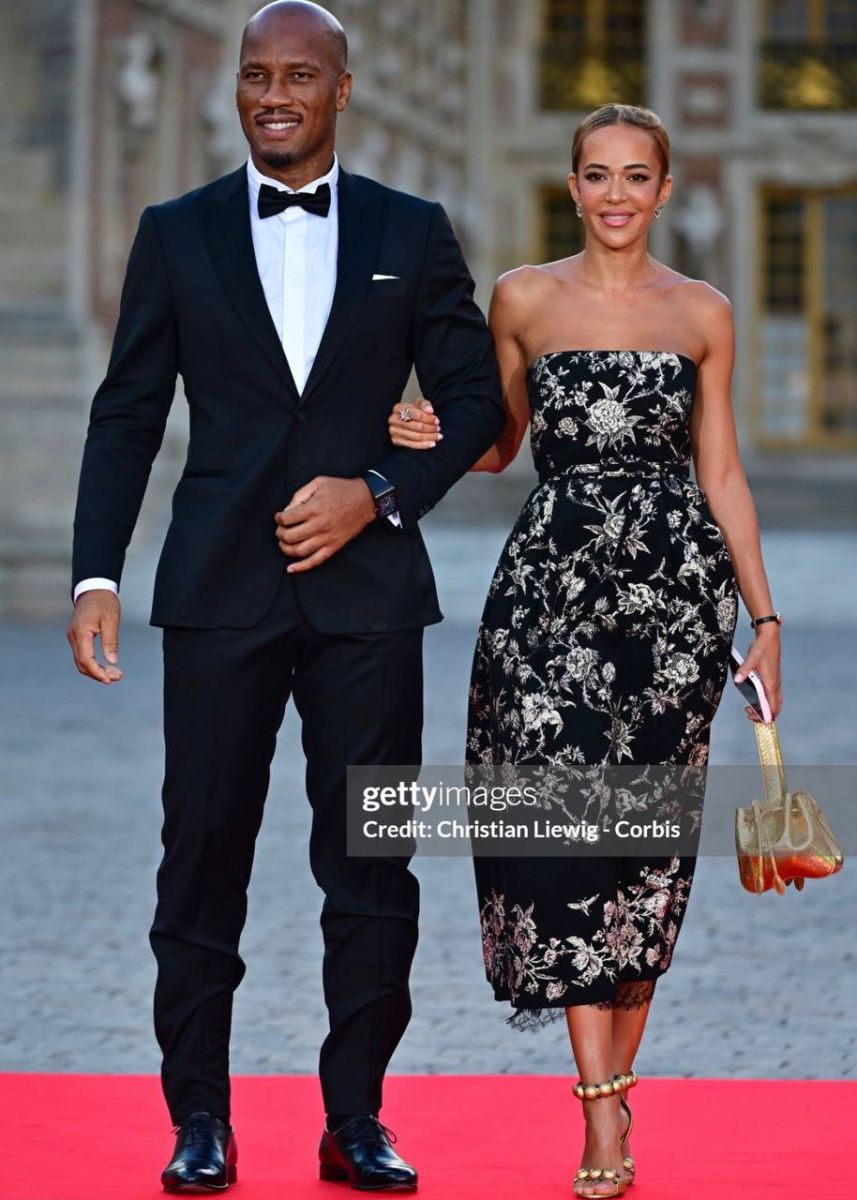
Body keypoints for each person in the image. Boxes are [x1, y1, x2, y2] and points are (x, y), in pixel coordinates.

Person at [66, 1, 503, 1191]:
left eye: (299, 76)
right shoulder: (176, 231)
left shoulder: (412, 230)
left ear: (339, 91)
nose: (274, 94)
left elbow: (473, 401)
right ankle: (198, 1121)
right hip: (217, 592)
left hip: (370, 599)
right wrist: (97, 573)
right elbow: (127, 411)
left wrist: (378, 492)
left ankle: (355, 1119)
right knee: (201, 856)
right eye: (257, 74)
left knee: (371, 865)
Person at [388, 103, 783, 1198]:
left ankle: (615, 1092)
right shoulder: (521, 297)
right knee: (564, 838)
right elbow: (500, 443)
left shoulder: (702, 312)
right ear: (571, 187)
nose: (616, 194)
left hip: (673, 609)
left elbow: (721, 472)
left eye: (635, 176)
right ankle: (600, 1113)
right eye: (597, 175)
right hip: (547, 602)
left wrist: (763, 623)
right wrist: (433, 432)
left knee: (641, 855)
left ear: (663, 190)